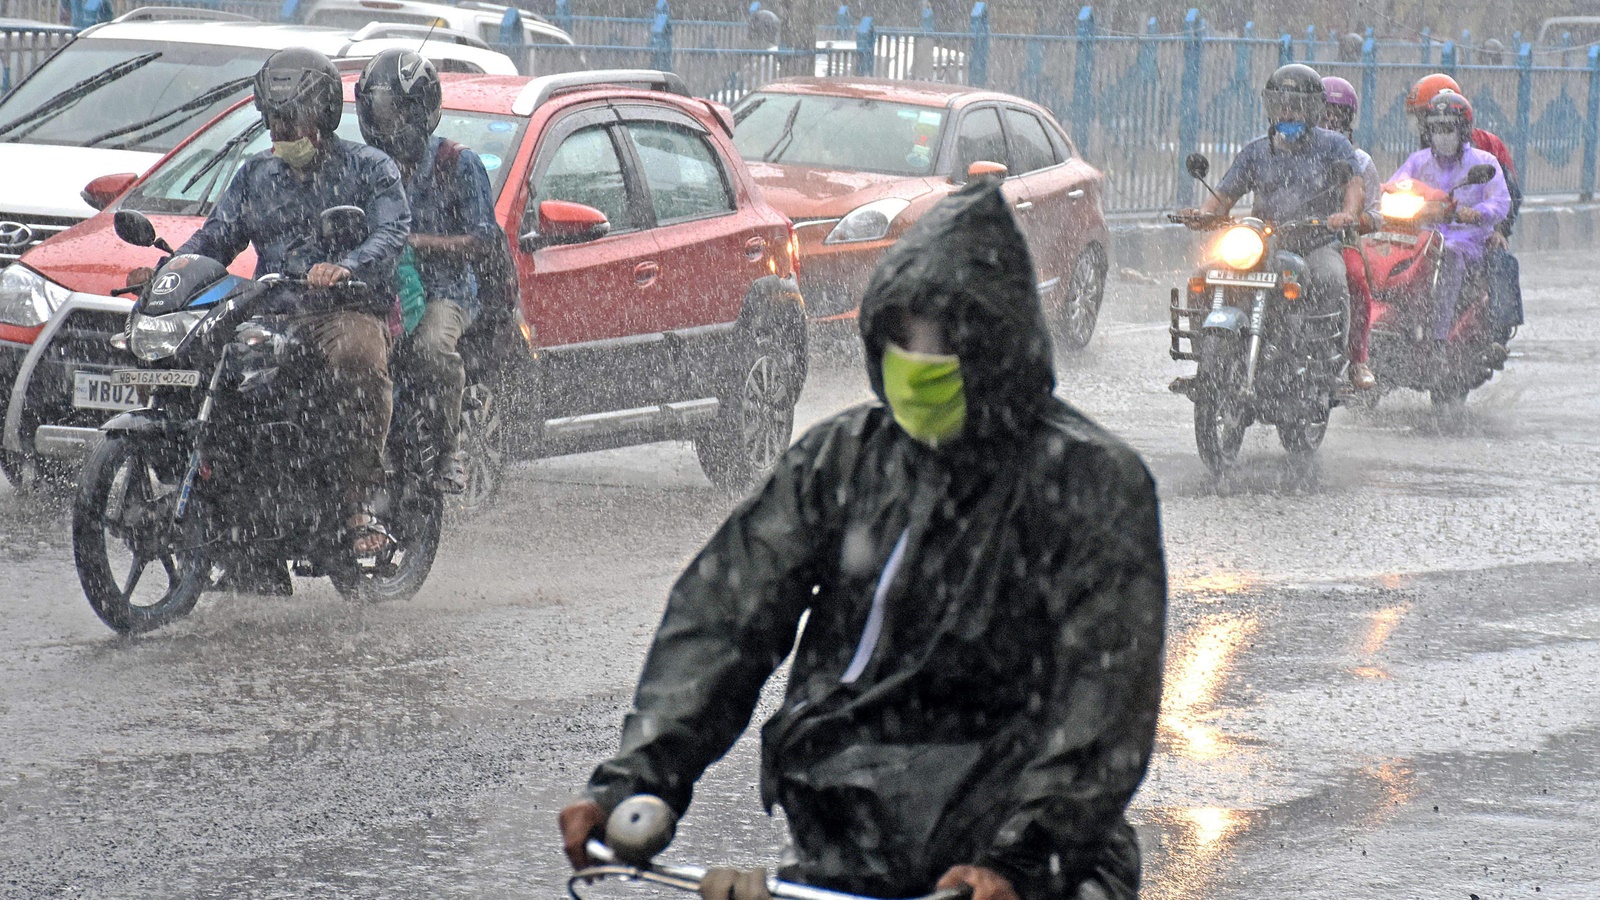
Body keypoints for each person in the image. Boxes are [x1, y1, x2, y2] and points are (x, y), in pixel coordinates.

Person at [558, 182, 1168, 900]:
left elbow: (1102, 696)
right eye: (901, 339)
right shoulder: (842, 460)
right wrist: (641, 777)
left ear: (996, 345)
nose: (919, 361)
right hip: (846, 854)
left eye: (944, 342)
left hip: (1028, 868)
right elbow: (728, 614)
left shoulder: (1091, 481)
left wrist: (1021, 857)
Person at [146, 47, 411, 557]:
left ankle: (357, 504)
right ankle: (236, 509)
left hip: (344, 309)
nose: (279, 134)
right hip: (271, 310)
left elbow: (391, 232)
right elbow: (216, 238)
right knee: (208, 368)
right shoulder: (254, 175)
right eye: (271, 121)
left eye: (290, 121)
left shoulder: (371, 168)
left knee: (356, 359)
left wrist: (346, 267)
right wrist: (171, 272)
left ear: (324, 116)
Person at [355, 48, 502, 493]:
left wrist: (414, 244)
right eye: (379, 112)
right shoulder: (365, 167)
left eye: (398, 112)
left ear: (423, 111)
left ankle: (446, 448)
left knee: (431, 352)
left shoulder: (458, 163)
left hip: (447, 293)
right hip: (383, 290)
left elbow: (481, 241)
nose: (388, 123)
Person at [1181, 63, 1365, 376]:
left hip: (1315, 243)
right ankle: (1209, 358)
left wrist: (1346, 214)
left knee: (1331, 279)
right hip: (1262, 246)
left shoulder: (1334, 146)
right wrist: (1203, 214)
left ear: (1313, 110)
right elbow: (1225, 195)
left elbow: (1354, 186)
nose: (1287, 114)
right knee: (1205, 276)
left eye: (1296, 107)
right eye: (1280, 106)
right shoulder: (1256, 151)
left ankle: (1324, 365)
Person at [1406, 73, 1525, 341]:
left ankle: (1491, 333)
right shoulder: (1424, 152)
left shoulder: (1486, 149)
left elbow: (1508, 194)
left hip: (1471, 231)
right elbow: (1401, 184)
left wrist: (1500, 229)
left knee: (1499, 262)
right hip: (1430, 228)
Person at [1321, 75, 1381, 391]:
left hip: (1338, 242)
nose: (1330, 121)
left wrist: (1350, 221)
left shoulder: (1359, 161)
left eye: (1338, 115)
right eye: (1323, 113)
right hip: (1290, 237)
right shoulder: (1294, 152)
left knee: (1356, 280)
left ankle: (1358, 359)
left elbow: (1374, 214)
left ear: (1349, 119)